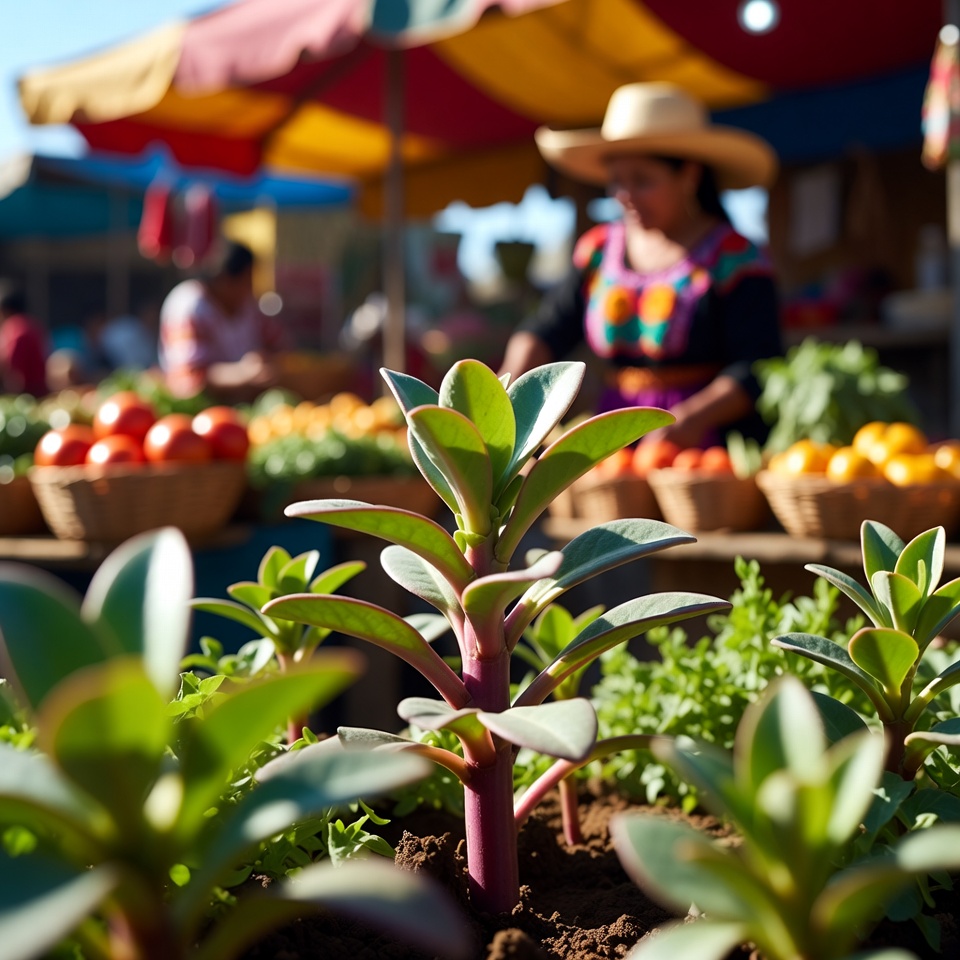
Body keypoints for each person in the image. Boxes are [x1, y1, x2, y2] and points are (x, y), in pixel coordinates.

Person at [500, 83, 782, 448]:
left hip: (705, 443)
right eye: (616, 181)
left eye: (643, 181)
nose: (625, 196)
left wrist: (687, 420)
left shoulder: (736, 258)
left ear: (690, 176)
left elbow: (757, 366)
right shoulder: (599, 250)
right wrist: (504, 386)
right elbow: (549, 328)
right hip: (615, 438)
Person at [159, 240, 283, 400]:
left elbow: (279, 345)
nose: (251, 288)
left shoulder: (248, 307)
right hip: (198, 409)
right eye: (247, 280)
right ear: (225, 279)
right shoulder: (190, 306)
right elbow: (190, 376)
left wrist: (266, 360)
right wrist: (243, 373)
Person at [0, 282, 48, 396]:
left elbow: (14, 371)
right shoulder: (33, 326)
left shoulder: (14, 328)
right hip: (39, 392)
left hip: (24, 395)